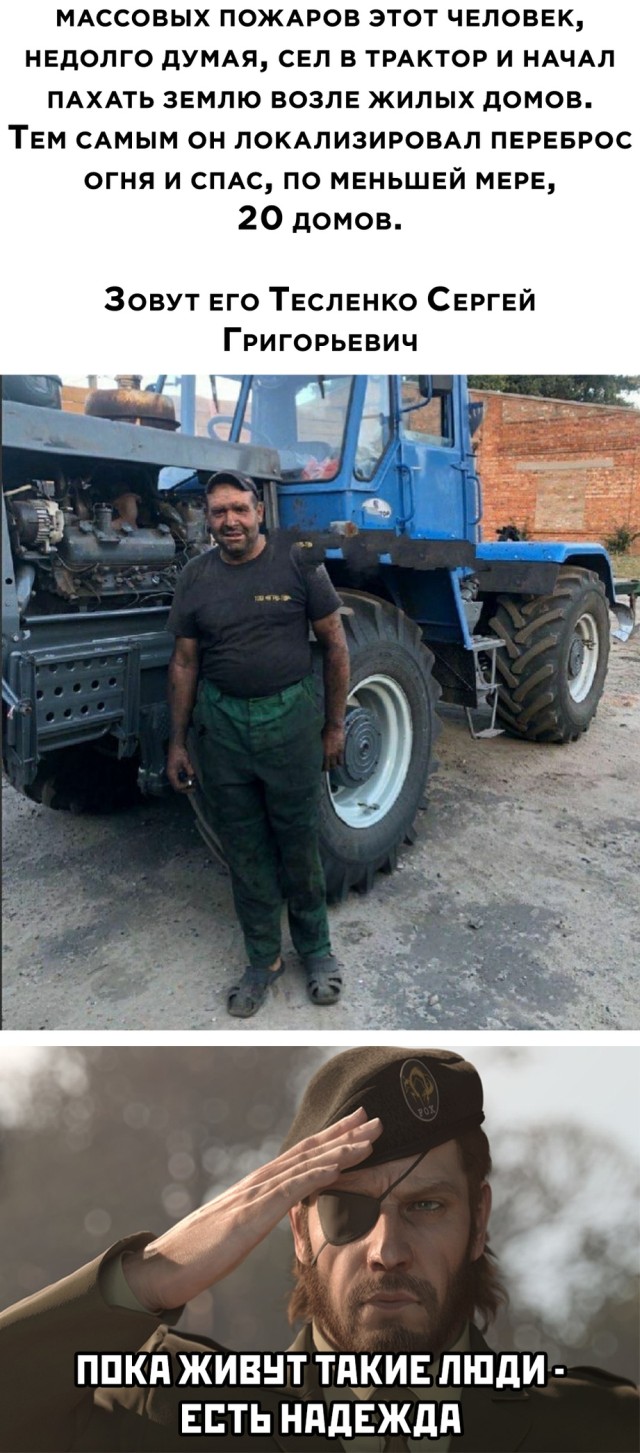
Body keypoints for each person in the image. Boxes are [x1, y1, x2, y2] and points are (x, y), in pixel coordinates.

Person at [1, 1047, 637, 1453]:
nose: (388, 1251)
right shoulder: (168, 1412)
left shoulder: (603, 1431)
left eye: (426, 1206)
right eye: (347, 1211)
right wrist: (149, 1279)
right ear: (300, 1231)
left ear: (479, 1222)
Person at [165, 470, 350, 1016]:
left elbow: (335, 645)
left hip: (289, 720)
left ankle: (315, 950)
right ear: (207, 518)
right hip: (221, 728)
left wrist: (335, 725)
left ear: (260, 512)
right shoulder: (196, 577)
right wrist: (177, 742)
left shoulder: (298, 563)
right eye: (219, 511)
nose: (231, 521)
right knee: (244, 849)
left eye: (240, 509)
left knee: (298, 841)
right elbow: (184, 662)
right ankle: (263, 959)